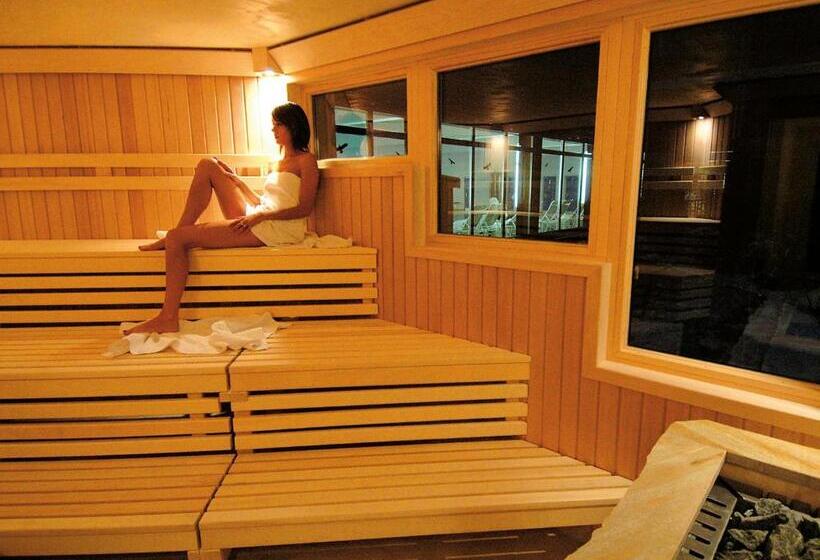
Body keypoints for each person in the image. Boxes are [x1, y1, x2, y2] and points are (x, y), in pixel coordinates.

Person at [124, 102, 319, 335]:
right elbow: (267, 202)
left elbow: (304, 208)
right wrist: (239, 183)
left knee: (176, 238)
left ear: (293, 126)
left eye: (278, 125)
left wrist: (261, 216)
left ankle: (168, 317)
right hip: (261, 217)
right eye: (273, 125)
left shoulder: (306, 161)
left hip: (279, 229)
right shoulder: (278, 161)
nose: (273, 130)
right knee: (208, 165)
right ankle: (177, 234)